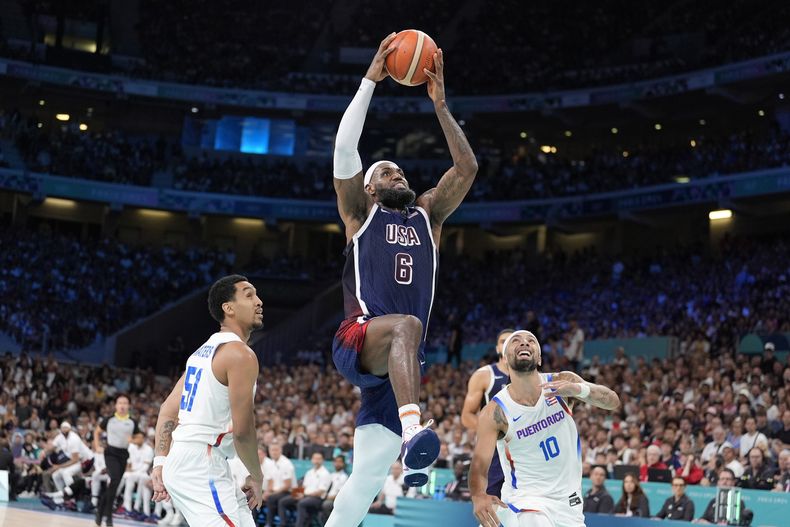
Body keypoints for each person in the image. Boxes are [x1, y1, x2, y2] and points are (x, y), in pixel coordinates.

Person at [327, 32, 478, 526]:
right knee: (408, 325)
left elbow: (467, 167)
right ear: (370, 186)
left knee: (364, 481)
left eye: (400, 171)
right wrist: (372, 78)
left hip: (398, 364)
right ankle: (415, 431)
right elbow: (345, 145)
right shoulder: (358, 212)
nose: (399, 176)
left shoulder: (428, 214)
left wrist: (440, 105)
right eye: (388, 172)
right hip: (359, 338)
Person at [469, 330, 620, 527]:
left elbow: (612, 402)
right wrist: (478, 496)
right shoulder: (495, 412)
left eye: (531, 341)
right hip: (525, 500)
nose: (524, 343)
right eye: (516, 341)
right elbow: (479, 465)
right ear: (505, 360)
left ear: (539, 358)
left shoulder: (562, 382)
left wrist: (579, 390)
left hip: (568, 504)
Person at [151, 275, 265, 527]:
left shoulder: (201, 353)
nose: (259, 301)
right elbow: (244, 431)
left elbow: (167, 412)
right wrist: (256, 476)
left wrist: (160, 462)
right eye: (249, 295)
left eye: (257, 295)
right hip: (201, 463)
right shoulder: (240, 354)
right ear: (228, 308)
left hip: (194, 460)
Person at [461, 328, 514, 499]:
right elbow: (467, 416)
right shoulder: (484, 375)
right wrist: (493, 432)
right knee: (492, 505)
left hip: (522, 449)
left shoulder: (531, 378)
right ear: (497, 348)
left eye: (511, 341)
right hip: (494, 452)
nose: (506, 344)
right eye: (502, 341)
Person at [93, 393, 139, 526]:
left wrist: (134, 440)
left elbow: (140, 436)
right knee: (114, 481)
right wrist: (97, 446)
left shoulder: (132, 422)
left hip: (123, 454)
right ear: (116, 405)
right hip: (110, 453)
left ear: (128, 405)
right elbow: (97, 431)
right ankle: (108, 517)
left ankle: (100, 512)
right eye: (120, 403)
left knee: (114, 485)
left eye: (125, 403)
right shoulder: (109, 419)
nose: (122, 405)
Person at [278, 452, 331, 527]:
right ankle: (282, 524)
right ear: (312, 460)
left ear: (322, 460)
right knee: (283, 501)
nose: (316, 461)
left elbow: (321, 492)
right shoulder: (309, 472)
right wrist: (296, 493)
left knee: (301, 503)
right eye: (315, 458)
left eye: (319, 459)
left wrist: (304, 495)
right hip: (305, 495)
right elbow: (304, 486)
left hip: (317, 499)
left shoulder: (325, 474)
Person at [262, 441, 296, 527]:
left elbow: (287, 485)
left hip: (291, 492)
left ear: (280, 450)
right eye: (272, 450)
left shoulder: (286, 463)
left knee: (271, 498)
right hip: (277, 492)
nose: (274, 452)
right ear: (269, 451)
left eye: (276, 450)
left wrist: (271, 493)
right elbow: (270, 482)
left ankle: (273, 523)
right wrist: (266, 492)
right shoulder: (271, 463)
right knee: (259, 496)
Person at [320, 455, 349, 523]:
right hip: (325, 497)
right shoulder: (331, 475)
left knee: (326, 505)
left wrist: (329, 497)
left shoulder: (344, 477)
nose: (337, 464)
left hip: (335, 500)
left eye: (340, 462)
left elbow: (341, 494)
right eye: (336, 461)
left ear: (343, 464)